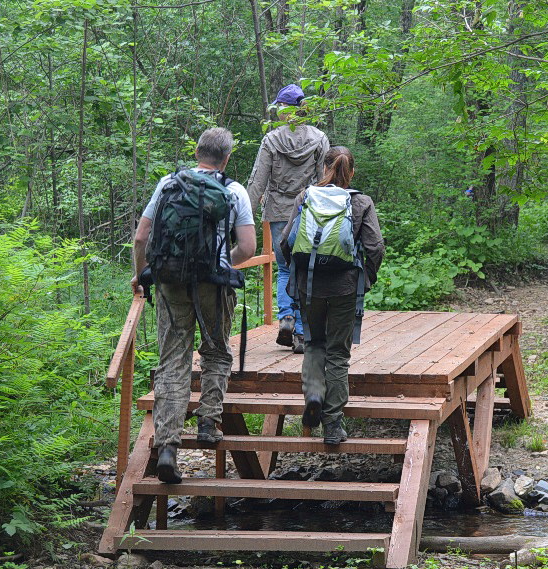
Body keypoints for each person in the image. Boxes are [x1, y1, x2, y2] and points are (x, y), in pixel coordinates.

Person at [131, 127, 256, 484]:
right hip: (213, 285)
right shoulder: (234, 191)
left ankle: (167, 446)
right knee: (216, 351)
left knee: (173, 361)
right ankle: (208, 423)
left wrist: (141, 275)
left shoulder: (169, 184)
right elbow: (247, 248)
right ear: (227, 157)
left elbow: (141, 236)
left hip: (170, 281)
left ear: (197, 152)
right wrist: (220, 264)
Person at [279, 146, 384, 444]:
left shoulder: (305, 196)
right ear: (351, 171)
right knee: (338, 352)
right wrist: (367, 278)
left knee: (313, 342)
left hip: (309, 285)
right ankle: (333, 426)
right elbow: (375, 247)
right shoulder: (361, 202)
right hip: (345, 287)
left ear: (323, 167)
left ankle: (313, 395)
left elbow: (285, 241)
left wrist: (295, 271)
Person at [247, 83, 330, 354]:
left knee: (284, 269)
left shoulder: (271, 140)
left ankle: (286, 318)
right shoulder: (319, 138)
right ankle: (303, 334)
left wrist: (243, 217)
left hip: (279, 211)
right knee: (306, 270)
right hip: (309, 212)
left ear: (283, 110)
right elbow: (323, 180)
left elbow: (258, 181)